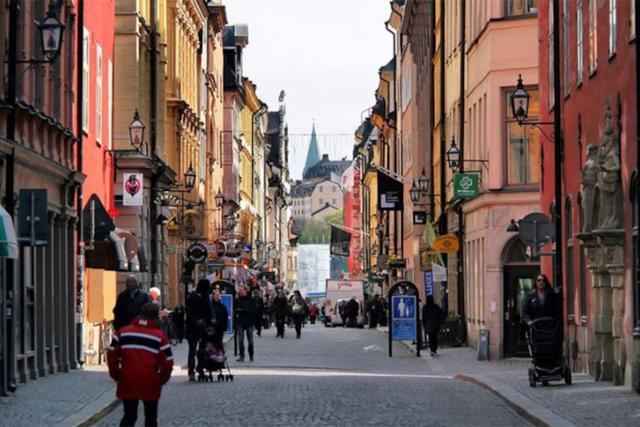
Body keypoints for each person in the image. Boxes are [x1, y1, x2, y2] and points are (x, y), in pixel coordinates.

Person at [107, 303, 173, 427]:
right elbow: (168, 361)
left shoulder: (123, 332)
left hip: (128, 379)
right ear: (155, 317)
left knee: (129, 416)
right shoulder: (159, 336)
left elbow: (111, 354)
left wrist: (116, 374)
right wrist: (161, 379)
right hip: (150, 381)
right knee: (151, 417)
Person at [185, 279, 212, 381]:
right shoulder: (192, 297)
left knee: (202, 350)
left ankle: (200, 368)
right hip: (192, 327)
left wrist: (209, 321)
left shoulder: (205, 297)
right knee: (192, 350)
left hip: (202, 327)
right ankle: (191, 370)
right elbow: (189, 312)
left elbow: (209, 310)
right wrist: (197, 320)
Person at [235, 285, 258, 361]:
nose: (239, 292)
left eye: (241, 290)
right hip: (240, 322)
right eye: (239, 290)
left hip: (249, 322)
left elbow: (254, 310)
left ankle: (251, 355)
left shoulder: (251, 300)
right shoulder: (237, 300)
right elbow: (235, 310)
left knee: (250, 340)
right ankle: (241, 355)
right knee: (240, 340)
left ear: (245, 291)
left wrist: (243, 310)